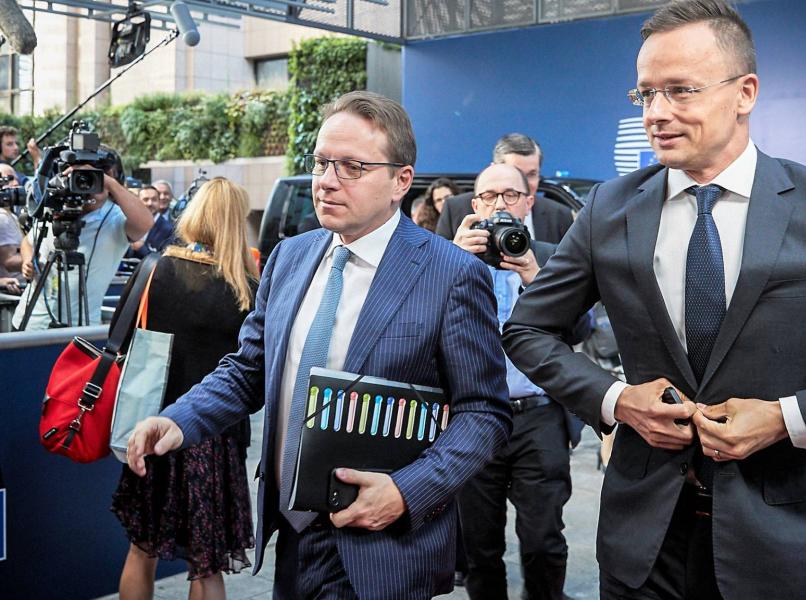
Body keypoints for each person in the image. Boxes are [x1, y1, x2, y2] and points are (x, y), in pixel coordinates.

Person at [501, 2, 806, 599]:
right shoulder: (610, 207)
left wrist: (790, 418)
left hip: (780, 541)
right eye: (645, 94)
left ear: (745, 93)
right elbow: (528, 329)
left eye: (680, 90)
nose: (656, 113)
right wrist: (616, 401)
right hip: (642, 543)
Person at [125, 91, 512, 599]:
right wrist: (179, 419)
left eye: (352, 167)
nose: (327, 180)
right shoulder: (289, 257)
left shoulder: (451, 274)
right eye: (322, 162)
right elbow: (249, 368)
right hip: (292, 532)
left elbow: (484, 413)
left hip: (385, 550)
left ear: (401, 181)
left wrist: (405, 492)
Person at [111, 177, 258, 600]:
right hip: (215, 437)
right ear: (235, 222)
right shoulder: (247, 290)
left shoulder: (154, 270)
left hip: (152, 426)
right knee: (205, 566)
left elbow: (121, 337)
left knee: (141, 549)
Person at [453, 164, 589, 600]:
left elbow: (581, 328)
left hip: (539, 415)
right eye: (489, 196)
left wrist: (534, 273)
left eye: (510, 195)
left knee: (543, 541)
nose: (500, 205)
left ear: (529, 201)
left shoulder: (552, 256)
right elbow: (421, 328)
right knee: (479, 545)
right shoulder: (450, 257)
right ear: (475, 205)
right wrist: (452, 261)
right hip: (473, 417)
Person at [13, 147, 153, 329]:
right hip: (30, 322)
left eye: (93, 177)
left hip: (79, 329)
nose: (85, 184)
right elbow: (28, 241)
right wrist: (28, 260)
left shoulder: (117, 218)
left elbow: (146, 222)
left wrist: (108, 182)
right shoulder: (54, 208)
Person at [436, 134, 574, 243]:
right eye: (516, 172)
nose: (524, 183)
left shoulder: (560, 216)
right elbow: (436, 265)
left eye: (532, 174)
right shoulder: (455, 210)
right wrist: (456, 252)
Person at [126, 185, 176, 258]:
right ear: (138, 202)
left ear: (159, 202)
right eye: (145, 199)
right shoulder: (129, 223)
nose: (150, 203)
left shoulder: (169, 230)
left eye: (154, 200)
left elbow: (164, 260)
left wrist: (141, 248)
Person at [0, 163, 24, 283]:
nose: (15, 184)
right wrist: (43, 257)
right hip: (14, 287)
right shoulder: (2, 217)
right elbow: (9, 262)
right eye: (9, 179)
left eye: (16, 179)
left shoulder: (11, 215)